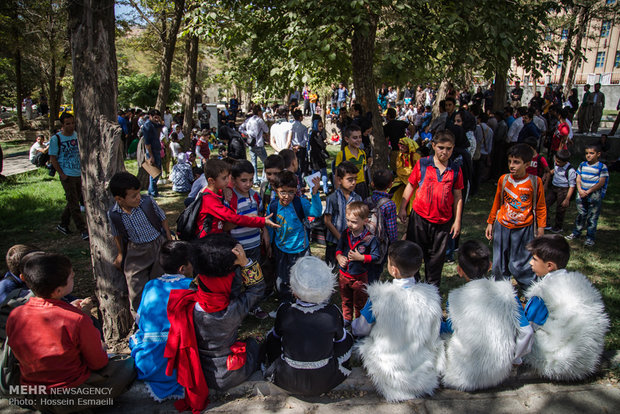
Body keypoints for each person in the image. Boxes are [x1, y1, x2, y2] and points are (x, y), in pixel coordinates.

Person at [6, 253, 136, 412]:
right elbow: (98, 363)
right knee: (127, 366)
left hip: (33, 392)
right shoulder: (77, 319)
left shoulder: (15, 314)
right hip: (71, 393)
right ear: (58, 290)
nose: (73, 275)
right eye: (71, 277)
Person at [165, 234, 265, 413]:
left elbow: (201, 281)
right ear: (227, 282)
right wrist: (245, 263)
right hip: (231, 373)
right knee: (255, 342)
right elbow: (256, 289)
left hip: (202, 373)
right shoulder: (233, 309)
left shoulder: (189, 304)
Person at [352, 240, 442, 401]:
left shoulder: (378, 296)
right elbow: (435, 334)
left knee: (363, 337)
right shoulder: (431, 297)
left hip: (388, 371)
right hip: (422, 370)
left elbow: (360, 329)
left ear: (393, 270)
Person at [440, 240, 533, 391]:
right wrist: (515, 357)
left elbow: (449, 329)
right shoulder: (508, 293)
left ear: (459, 270)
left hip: (464, 374)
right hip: (499, 371)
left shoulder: (455, 298)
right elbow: (526, 331)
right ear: (490, 266)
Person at [524, 235, 609, 380]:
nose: (531, 263)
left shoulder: (542, 291)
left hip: (555, 360)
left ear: (549, 265)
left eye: (535, 259)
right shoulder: (578, 283)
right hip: (584, 359)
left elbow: (528, 325)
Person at [265, 256, 353, 396]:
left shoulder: (285, 311)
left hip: (288, 379)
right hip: (325, 379)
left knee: (272, 337)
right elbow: (342, 341)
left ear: (293, 289)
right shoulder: (332, 312)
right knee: (346, 337)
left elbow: (274, 338)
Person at [398, 131, 464, 287]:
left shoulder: (455, 170)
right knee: (413, 253)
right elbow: (411, 185)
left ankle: (431, 290)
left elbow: (458, 196)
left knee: (436, 259)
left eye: (449, 148)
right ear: (433, 146)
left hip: (443, 222)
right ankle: (413, 285)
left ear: (453, 148)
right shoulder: (422, 163)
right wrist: (402, 207)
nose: (444, 152)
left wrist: (458, 220)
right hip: (419, 218)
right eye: (441, 147)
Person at [129, 240, 193, 401]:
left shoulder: (150, 285)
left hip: (147, 362)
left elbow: (140, 320)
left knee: (137, 338)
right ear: (182, 268)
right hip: (176, 362)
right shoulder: (190, 285)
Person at [107, 172, 172, 316]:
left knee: (160, 281)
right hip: (136, 251)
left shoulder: (147, 201)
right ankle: (141, 318)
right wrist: (120, 254)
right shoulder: (114, 214)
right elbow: (116, 234)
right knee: (135, 286)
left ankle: (162, 316)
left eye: (138, 193)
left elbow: (163, 218)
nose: (138, 197)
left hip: (157, 245)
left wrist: (168, 237)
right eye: (133, 196)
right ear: (119, 199)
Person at [485, 143, 546, 290]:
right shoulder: (503, 180)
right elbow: (497, 202)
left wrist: (541, 227)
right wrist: (490, 222)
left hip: (524, 227)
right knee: (499, 262)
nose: (512, 165)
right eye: (510, 161)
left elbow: (541, 206)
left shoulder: (535, 182)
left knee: (521, 262)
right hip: (502, 226)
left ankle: (529, 289)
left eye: (516, 162)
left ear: (527, 163)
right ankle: (500, 289)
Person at [266, 171, 322, 302]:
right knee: (282, 279)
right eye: (283, 192)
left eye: (291, 192)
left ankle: (303, 302)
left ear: (296, 190)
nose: (287, 196)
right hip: (281, 249)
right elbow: (270, 227)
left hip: (301, 248)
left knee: (303, 277)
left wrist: (315, 194)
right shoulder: (273, 206)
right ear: (276, 190)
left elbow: (316, 212)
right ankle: (285, 304)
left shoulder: (300, 203)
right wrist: (269, 244)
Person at [194, 159, 279, 238]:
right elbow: (233, 218)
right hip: (209, 240)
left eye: (228, 177)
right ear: (211, 181)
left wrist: (227, 189)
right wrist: (260, 221)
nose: (228, 181)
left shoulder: (219, 192)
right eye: (224, 178)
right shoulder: (209, 199)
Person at [335, 201, 380, 325]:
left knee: (360, 301)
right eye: (348, 220)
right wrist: (339, 256)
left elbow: (376, 256)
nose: (350, 224)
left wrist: (361, 258)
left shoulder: (370, 239)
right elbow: (339, 247)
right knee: (345, 299)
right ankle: (347, 318)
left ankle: (359, 322)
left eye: (354, 222)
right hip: (344, 275)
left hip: (360, 277)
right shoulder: (345, 234)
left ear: (365, 221)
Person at [49, 113, 88, 240]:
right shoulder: (56, 139)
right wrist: (62, 174)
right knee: (74, 203)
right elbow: (53, 158)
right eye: (68, 124)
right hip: (67, 173)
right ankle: (82, 229)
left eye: (72, 123)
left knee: (73, 200)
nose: (71, 126)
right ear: (62, 125)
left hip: (78, 172)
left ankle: (63, 223)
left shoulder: (77, 135)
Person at [566, 144, 609, 246]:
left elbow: (601, 182)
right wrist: (580, 189)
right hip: (581, 193)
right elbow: (578, 178)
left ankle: (590, 237)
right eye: (586, 153)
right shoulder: (582, 165)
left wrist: (589, 191)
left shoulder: (602, 167)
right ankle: (576, 232)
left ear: (598, 154)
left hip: (594, 194)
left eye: (591, 153)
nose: (588, 155)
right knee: (581, 214)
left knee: (592, 216)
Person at [324, 162, 362, 268]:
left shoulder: (357, 198)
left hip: (351, 242)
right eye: (350, 179)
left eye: (355, 179)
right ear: (340, 180)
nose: (354, 182)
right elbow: (327, 221)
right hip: (334, 241)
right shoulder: (332, 198)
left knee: (349, 268)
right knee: (330, 269)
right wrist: (341, 238)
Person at [367, 169, 398, 283]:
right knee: (376, 270)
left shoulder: (367, 200)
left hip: (366, 240)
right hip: (381, 243)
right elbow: (391, 228)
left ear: (372, 184)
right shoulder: (389, 204)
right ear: (390, 185)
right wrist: (394, 244)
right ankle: (371, 290)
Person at [334, 124, 370, 198]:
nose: (358, 140)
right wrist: (338, 192)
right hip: (348, 187)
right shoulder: (342, 154)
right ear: (347, 139)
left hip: (361, 187)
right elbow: (337, 175)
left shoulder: (362, 153)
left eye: (360, 137)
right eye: (355, 138)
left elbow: (363, 171)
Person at [544, 149, 576, 233]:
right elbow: (555, 170)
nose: (557, 163)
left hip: (563, 190)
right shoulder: (556, 163)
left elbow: (572, 186)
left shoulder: (571, 170)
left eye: (559, 162)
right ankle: (546, 223)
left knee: (560, 209)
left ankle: (558, 227)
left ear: (565, 162)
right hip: (554, 187)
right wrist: (548, 174)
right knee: (545, 203)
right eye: (556, 160)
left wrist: (567, 199)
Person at [392, 137, 420, 215]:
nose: (401, 148)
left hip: (412, 179)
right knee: (395, 190)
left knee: (412, 194)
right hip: (402, 177)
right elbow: (399, 167)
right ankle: (396, 209)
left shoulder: (415, 156)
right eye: (399, 145)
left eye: (403, 146)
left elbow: (418, 169)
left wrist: (409, 173)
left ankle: (411, 211)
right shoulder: (400, 155)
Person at [143, 109, 164, 198]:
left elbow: (161, 125)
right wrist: (151, 156)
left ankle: (151, 191)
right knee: (154, 172)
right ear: (150, 116)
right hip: (152, 151)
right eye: (155, 117)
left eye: (158, 117)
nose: (157, 119)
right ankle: (153, 192)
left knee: (157, 171)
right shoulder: (147, 126)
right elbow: (147, 143)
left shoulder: (154, 125)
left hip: (157, 149)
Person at [309, 119, 329, 194]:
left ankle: (314, 189)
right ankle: (324, 189)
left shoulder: (312, 133)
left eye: (322, 126)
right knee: (320, 173)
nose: (321, 128)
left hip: (315, 156)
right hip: (317, 156)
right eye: (319, 126)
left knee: (316, 173)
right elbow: (321, 144)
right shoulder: (316, 134)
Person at [290, 109, 309, 178]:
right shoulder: (303, 127)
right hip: (300, 148)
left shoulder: (290, 126)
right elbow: (305, 139)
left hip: (292, 147)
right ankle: (301, 179)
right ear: (300, 117)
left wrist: (293, 146)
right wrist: (299, 146)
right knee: (301, 165)